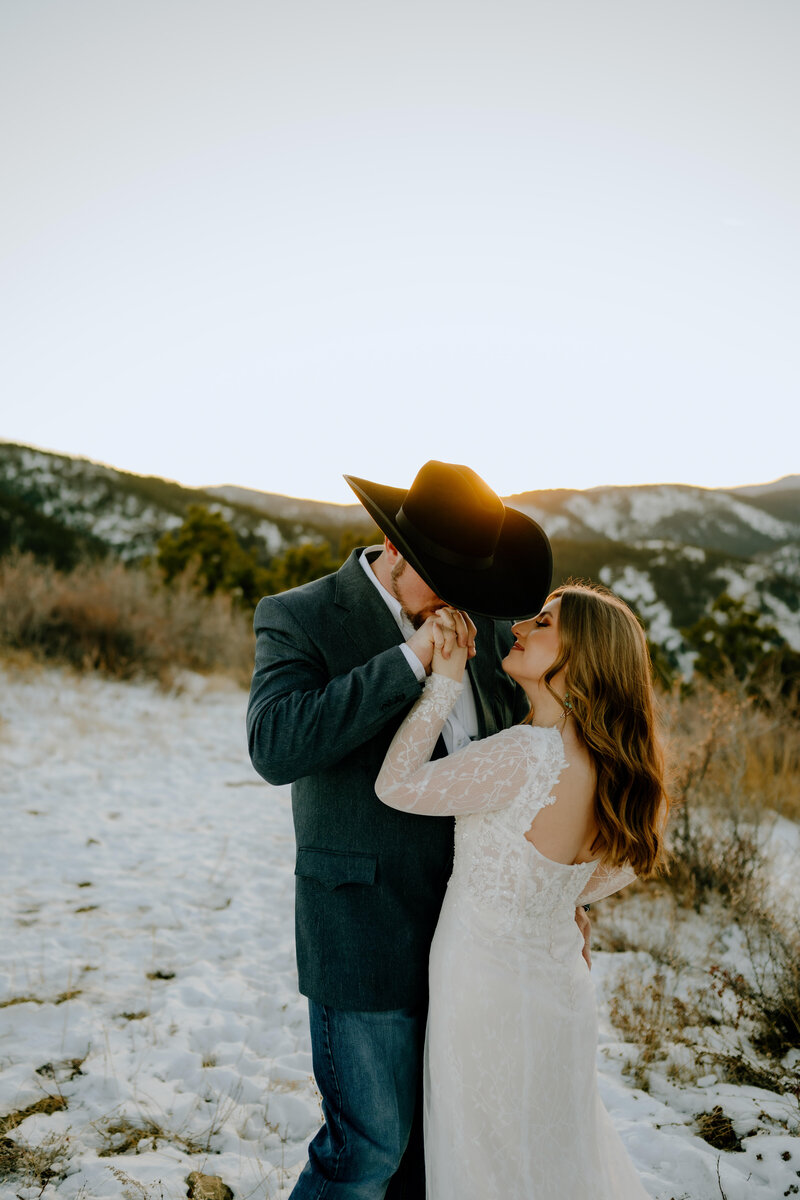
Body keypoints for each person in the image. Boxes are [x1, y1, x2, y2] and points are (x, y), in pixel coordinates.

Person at [247, 460, 558, 1199]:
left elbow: (515, 755)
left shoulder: (476, 619)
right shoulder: (300, 614)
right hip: (363, 927)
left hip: (471, 934)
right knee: (368, 1150)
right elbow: (276, 746)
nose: (458, 603)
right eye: (443, 581)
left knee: (432, 1157)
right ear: (394, 549)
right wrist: (410, 659)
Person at [374, 583, 668, 1199]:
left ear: (580, 656)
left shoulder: (526, 754)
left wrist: (445, 680)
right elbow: (625, 866)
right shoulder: (610, 765)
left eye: (543, 623)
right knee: (554, 1154)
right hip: (559, 987)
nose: (518, 628)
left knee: (488, 1161)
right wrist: (564, 898)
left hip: (483, 988)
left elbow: (396, 786)